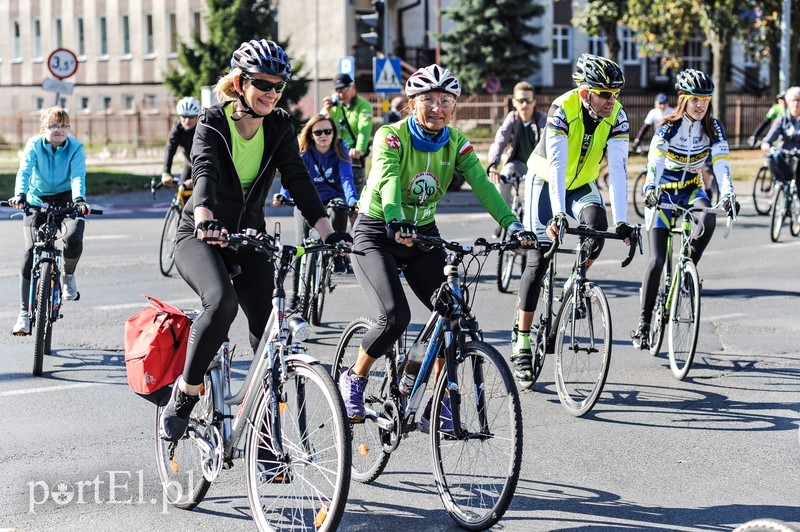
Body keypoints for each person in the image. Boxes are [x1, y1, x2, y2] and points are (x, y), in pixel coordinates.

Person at [160, 39, 352, 442]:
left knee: (269, 326)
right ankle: (187, 392)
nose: (272, 92)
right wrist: (205, 220)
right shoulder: (213, 121)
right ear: (239, 83)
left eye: (278, 86)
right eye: (263, 83)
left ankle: (265, 436)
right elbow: (205, 172)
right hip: (200, 233)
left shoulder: (279, 124)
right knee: (222, 302)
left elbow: (297, 179)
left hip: (248, 236)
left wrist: (330, 233)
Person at [338, 64, 532, 425]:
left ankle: (438, 401)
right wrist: (394, 217)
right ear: (413, 103)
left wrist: (513, 224)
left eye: (445, 100)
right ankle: (355, 377)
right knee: (395, 316)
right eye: (428, 99)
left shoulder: (456, 142)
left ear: (454, 106)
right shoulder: (391, 136)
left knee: (453, 315)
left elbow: (482, 184)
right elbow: (387, 177)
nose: (437, 108)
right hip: (377, 231)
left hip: (422, 234)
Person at [512, 53, 635, 383]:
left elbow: (619, 170)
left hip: (582, 183)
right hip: (545, 181)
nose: (612, 100)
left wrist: (623, 221)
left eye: (615, 94)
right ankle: (522, 340)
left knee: (598, 228)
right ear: (585, 93)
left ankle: (574, 281)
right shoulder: (562, 108)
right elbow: (555, 166)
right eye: (604, 94)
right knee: (538, 258)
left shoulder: (617, 115)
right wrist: (558, 214)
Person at [631, 69, 736, 349]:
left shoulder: (713, 127)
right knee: (656, 260)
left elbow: (722, 162)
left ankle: (687, 269)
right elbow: (655, 159)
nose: (701, 105)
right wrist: (650, 188)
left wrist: (728, 193)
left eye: (705, 99)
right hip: (663, 192)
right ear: (683, 99)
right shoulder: (668, 126)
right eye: (695, 99)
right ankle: (643, 324)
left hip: (691, 189)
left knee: (708, 220)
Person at [9, 107, 91, 335]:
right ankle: (23, 313)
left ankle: (68, 276)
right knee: (30, 250)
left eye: (64, 126)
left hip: (67, 199)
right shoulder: (34, 145)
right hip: (37, 200)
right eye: (54, 125)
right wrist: (20, 195)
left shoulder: (75, 148)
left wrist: (79, 200)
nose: (59, 130)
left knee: (73, 237)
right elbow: (24, 171)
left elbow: (77, 176)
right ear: (43, 127)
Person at [275, 114, 359, 306]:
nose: (323, 136)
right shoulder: (304, 151)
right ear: (311, 135)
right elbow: (292, 177)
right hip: (307, 201)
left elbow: (346, 178)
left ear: (333, 133)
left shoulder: (340, 149)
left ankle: (337, 253)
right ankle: (295, 295)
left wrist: (353, 200)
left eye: (328, 131)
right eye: (318, 132)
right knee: (300, 245)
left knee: (339, 208)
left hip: (332, 198)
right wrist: (283, 195)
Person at [486, 81, 547, 238]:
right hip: (517, 163)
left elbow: (547, 141)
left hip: (537, 166)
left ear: (534, 102)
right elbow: (500, 140)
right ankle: (504, 220)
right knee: (502, 179)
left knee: (533, 198)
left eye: (528, 100)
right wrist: (493, 165)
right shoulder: (512, 118)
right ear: (514, 102)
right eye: (520, 100)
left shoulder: (542, 119)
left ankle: (531, 225)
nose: (524, 104)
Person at [321, 73, 374, 194]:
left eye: (344, 89)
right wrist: (326, 109)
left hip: (353, 155)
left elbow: (364, 130)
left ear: (353, 87)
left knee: (355, 192)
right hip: (336, 153)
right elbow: (320, 123)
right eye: (337, 91)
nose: (341, 94)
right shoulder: (335, 106)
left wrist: (359, 150)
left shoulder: (363, 105)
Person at [759, 86, 800, 191]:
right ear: (788, 102)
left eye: (799, 100)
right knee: (772, 158)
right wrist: (766, 144)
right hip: (785, 155)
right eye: (793, 100)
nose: (796, 103)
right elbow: (770, 136)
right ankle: (781, 184)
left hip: (798, 155)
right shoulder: (782, 118)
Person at [161, 96, 200, 189]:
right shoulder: (178, 128)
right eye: (184, 116)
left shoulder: (203, 127)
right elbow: (170, 149)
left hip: (204, 168)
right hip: (189, 165)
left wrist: (197, 179)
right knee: (182, 190)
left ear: (197, 116)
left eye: (191, 117)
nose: (187, 120)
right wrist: (166, 172)